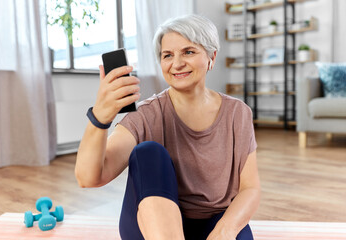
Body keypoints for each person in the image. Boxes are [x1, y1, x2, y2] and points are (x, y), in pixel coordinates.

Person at [75, 14, 260, 240]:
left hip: (215, 222)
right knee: (148, 152)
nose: (177, 63)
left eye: (188, 52)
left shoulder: (237, 113)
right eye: (167, 55)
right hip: (153, 224)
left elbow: (250, 188)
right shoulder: (147, 114)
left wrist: (225, 231)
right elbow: (88, 178)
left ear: (212, 56)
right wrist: (100, 118)